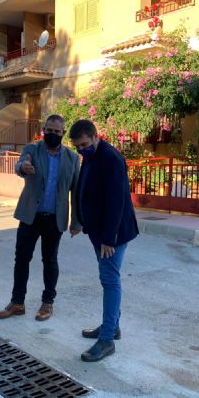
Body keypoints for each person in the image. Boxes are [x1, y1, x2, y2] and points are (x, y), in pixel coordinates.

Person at [0, 115, 81, 321]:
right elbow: (20, 166)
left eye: (57, 132)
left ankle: (47, 303)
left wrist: (76, 222)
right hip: (30, 217)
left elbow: (76, 192)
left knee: (50, 261)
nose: (52, 134)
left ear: (63, 133)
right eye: (49, 130)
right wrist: (23, 168)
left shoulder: (72, 158)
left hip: (55, 219)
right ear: (44, 130)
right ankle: (17, 303)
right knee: (22, 259)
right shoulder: (31, 150)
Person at [69, 119, 139, 362]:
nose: (82, 150)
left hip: (112, 235)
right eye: (78, 147)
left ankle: (107, 339)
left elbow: (117, 201)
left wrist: (109, 238)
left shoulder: (110, 158)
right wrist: (79, 221)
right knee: (108, 278)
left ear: (95, 137)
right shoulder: (92, 156)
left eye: (85, 144)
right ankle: (112, 326)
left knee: (110, 280)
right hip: (98, 232)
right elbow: (85, 190)